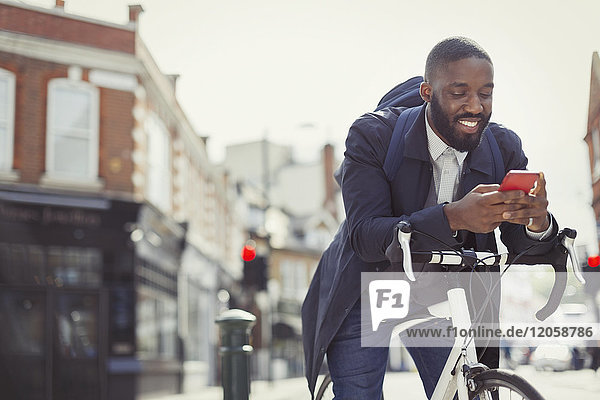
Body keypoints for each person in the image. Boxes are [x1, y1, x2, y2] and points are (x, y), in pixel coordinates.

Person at [302, 36, 559, 399]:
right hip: (370, 286)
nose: (475, 106)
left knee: (460, 388)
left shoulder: (503, 147)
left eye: (485, 94)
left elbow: (519, 243)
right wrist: (453, 217)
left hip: (442, 293)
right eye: (459, 93)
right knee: (360, 393)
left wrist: (536, 222)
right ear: (427, 92)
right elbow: (365, 235)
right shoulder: (373, 135)